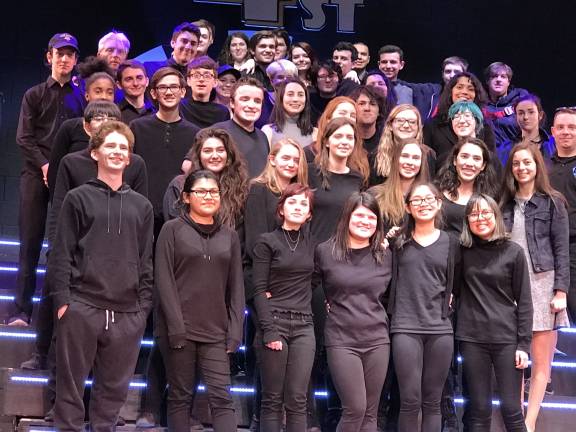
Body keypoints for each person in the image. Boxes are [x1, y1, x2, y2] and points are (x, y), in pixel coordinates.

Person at [49, 121, 153, 431]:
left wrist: (142, 308)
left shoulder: (142, 206)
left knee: (113, 395)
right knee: (69, 392)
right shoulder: (77, 198)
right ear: (95, 153)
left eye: (123, 147)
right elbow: (61, 253)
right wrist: (64, 302)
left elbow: (145, 260)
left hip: (127, 313)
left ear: (130, 157)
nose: (118, 151)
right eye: (111, 145)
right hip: (82, 305)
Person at [155, 169, 245, 432]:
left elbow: (236, 286)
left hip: (216, 331)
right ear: (186, 197)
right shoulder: (171, 230)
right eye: (201, 191)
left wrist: (235, 329)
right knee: (180, 397)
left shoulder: (230, 236)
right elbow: (164, 281)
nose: (208, 196)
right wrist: (176, 328)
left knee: (222, 398)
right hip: (178, 329)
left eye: (214, 192)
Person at [9, 33, 85, 327]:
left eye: (70, 54)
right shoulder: (34, 94)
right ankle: (20, 310)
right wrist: (44, 165)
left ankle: (52, 312)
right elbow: (24, 138)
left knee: (63, 244)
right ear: (49, 57)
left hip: (69, 178)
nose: (64, 59)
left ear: (76, 60)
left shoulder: (81, 96)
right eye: (59, 53)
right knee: (30, 242)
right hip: (35, 174)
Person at [500, 142, 570, 432]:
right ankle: (516, 421)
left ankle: (528, 425)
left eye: (527, 163)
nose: (522, 168)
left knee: (541, 365)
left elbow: (561, 249)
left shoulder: (553, 202)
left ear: (537, 166)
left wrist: (561, 291)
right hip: (508, 286)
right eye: (516, 163)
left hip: (543, 284)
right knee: (516, 364)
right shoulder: (502, 202)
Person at [315, 191, 392, 431]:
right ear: (347, 217)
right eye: (359, 215)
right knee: (355, 409)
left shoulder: (386, 254)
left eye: (371, 217)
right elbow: (310, 287)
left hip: (377, 339)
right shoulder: (325, 252)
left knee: (370, 412)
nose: (365, 222)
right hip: (342, 339)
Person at [457, 194, 532, 431]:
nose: (480, 218)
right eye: (474, 214)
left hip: (507, 339)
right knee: (478, 409)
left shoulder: (514, 252)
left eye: (486, 213)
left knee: (512, 409)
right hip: (472, 338)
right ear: (468, 220)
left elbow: (525, 301)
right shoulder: (462, 252)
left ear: (496, 216)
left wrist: (523, 345)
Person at [388, 182, 458, 432]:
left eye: (429, 199)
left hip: (440, 329)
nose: (424, 204)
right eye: (417, 200)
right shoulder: (397, 242)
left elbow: (460, 280)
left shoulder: (452, 242)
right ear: (407, 207)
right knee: (409, 400)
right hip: (405, 327)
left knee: (432, 402)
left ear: (439, 203)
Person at [252, 183, 316, 432]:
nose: (298, 207)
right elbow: (258, 289)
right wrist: (269, 330)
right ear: (281, 208)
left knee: (297, 400)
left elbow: (317, 276)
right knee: (272, 399)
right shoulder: (266, 242)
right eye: (292, 202)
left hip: (304, 326)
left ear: (309, 213)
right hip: (275, 321)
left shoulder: (313, 244)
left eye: (303, 204)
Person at [131, 67, 199, 235]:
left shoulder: (195, 133)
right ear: (154, 93)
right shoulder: (137, 127)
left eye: (174, 87)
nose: (169, 92)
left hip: (180, 214)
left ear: (183, 91)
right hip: (142, 211)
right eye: (163, 87)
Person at [47, 71, 117, 193]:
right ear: (87, 95)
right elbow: (55, 171)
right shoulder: (70, 127)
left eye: (109, 92)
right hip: (74, 198)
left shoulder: (120, 130)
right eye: (98, 91)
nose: (104, 96)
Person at [164, 128, 249, 226]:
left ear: (228, 155)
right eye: (208, 151)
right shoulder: (180, 185)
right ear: (198, 156)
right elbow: (174, 228)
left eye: (220, 150)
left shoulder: (240, 187)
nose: (215, 156)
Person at [424, 72, 496, 169]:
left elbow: (491, 163)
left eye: (470, 89)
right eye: (459, 87)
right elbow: (427, 163)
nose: (465, 92)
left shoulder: (485, 126)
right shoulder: (433, 125)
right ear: (450, 92)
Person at [437, 137, 499, 234]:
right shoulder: (436, 192)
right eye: (464, 156)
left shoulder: (492, 197)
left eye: (476, 159)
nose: (470, 163)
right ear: (454, 160)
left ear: (483, 165)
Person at [210, 77, 269, 178]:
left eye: (257, 101)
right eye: (245, 99)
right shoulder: (217, 133)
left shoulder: (263, 136)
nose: (251, 105)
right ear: (232, 103)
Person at [549, 108, 576, 322]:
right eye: (561, 127)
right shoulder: (544, 167)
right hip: (550, 250)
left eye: (572, 127)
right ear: (552, 131)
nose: (566, 131)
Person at [369, 141, 429, 233]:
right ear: (395, 159)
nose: (410, 162)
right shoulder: (375, 195)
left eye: (416, 158)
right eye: (405, 156)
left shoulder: (429, 200)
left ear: (422, 164)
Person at [372, 104, 433, 185]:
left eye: (412, 122)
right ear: (390, 125)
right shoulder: (376, 156)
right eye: (400, 120)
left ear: (418, 127)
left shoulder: (428, 154)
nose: (406, 125)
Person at [497, 93, 555, 166]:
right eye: (521, 113)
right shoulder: (505, 149)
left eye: (531, 112)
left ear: (540, 115)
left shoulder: (554, 144)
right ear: (516, 117)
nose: (526, 117)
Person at [483, 62, 530, 147]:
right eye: (494, 76)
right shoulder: (480, 104)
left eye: (503, 77)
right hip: (489, 155)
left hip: (515, 154)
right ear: (487, 81)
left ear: (508, 82)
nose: (498, 79)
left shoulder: (520, 101)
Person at [262, 77, 315, 148]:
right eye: (290, 94)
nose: (295, 99)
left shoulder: (315, 133)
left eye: (300, 95)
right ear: (281, 98)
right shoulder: (268, 131)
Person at [180, 56, 230, 128]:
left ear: (215, 82)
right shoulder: (180, 107)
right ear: (188, 81)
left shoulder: (222, 112)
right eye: (196, 75)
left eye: (207, 76)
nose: (201, 79)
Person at [306, 96, 358, 161]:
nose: (348, 118)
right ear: (328, 119)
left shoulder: (361, 155)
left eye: (353, 116)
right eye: (342, 113)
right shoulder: (309, 153)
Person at [350, 86, 387, 161]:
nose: (367, 108)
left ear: (379, 111)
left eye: (372, 104)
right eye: (362, 103)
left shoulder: (386, 142)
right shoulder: (346, 140)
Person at [116, 60, 155, 125]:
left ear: (147, 81)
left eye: (139, 78)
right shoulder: (115, 114)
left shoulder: (158, 111)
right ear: (119, 85)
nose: (135, 83)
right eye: (129, 79)